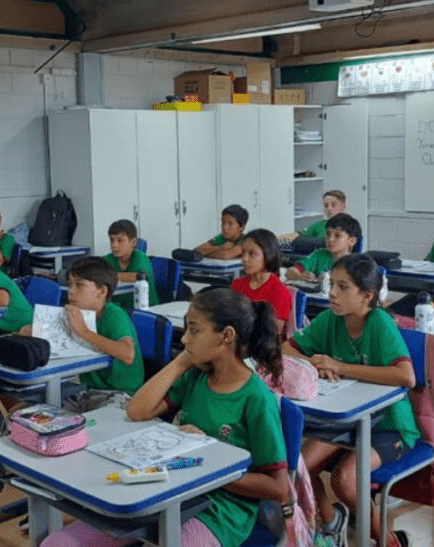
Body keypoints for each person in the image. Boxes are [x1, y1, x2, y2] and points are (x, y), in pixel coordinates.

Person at [40, 288, 288, 547]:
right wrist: (181, 363)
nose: (185, 340)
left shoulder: (256, 398)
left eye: (194, 330)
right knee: (57, 544)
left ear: (226, 336)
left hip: (219, 510)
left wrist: (210, 464)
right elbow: (137, 411)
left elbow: (279, 489)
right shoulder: (198, 376)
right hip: (167, 492)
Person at [284, 254, 419, 547]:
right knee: (298, 469)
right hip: (345, 419)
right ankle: (332, 521)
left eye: (343, 287)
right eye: (332, 284)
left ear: (367, 296)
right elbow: (287, 350)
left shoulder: (379, 322)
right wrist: (314, 363)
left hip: (390, 425)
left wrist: (340, 366)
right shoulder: (330, 319)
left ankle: (388, 540)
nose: (332, 292)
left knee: (345, 480)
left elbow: (406, 376)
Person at [57, 256, 143, 412]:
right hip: (90, 391)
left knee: (93, 429)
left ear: (102, 291)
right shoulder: (78, 314)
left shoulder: (114, 314)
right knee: (48, 417)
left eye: (79, 285)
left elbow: (128, 354)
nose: (71, 292)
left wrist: (84, 331)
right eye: (70, 285)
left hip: (121, 393)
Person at [230, 228, 293, 338]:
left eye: (252, 254)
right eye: (243, 253)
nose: (244, 259)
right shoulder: (237, 284)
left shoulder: (279, 292)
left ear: (268, 255)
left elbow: (273, 333)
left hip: (262, 346)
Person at [285, 213, 361, 282]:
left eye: (337, 235)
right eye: (328, 234)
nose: (330, 239)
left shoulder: (356, 264)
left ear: (352, 241)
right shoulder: (319, 255)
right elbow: (289, 272)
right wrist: (300, 276)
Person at [102, 219, 157, 310]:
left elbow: (140, 276)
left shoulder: (139, 257)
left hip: (145, 309)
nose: (114, 245)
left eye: (120, 241)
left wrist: (110, 275)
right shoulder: (110, 259)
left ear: (133, 242)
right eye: (112, 240)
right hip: (119, 308)